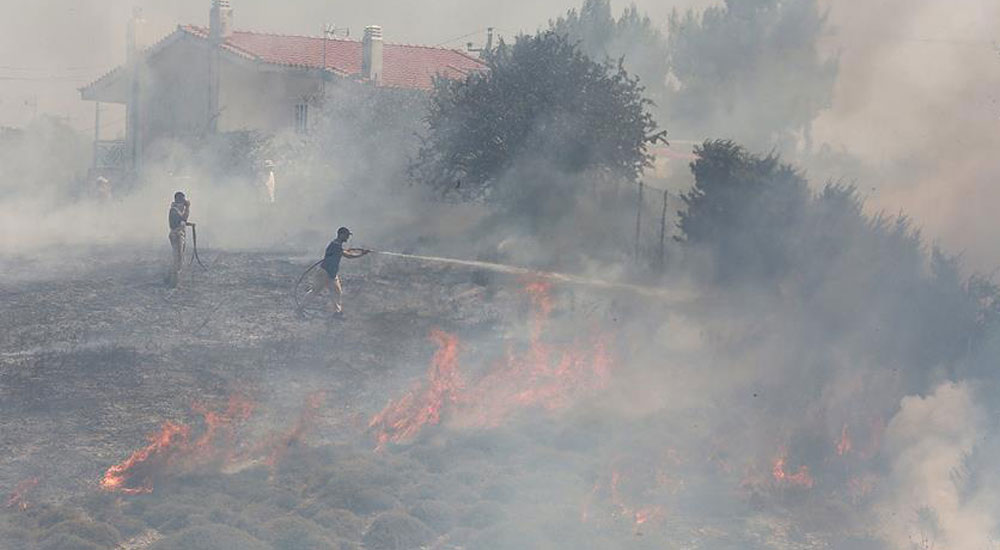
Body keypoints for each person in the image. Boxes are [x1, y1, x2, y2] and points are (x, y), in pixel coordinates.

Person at [305, 227, 369, 316]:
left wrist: (352, 251)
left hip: (331, 274)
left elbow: (342, 252)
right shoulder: (335, 245)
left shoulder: (336, 245)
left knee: (336, 293)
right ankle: (301, 307)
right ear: (341, 234)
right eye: (346, 235)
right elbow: (348, 256)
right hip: (324, 272)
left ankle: (337, 313)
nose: (347, 237)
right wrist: (362, 254)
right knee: (316, 291)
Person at [167, 191, 194, 287]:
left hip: (178, 234)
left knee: (179, 257)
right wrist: (188, 207)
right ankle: (173, 282)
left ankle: (174, 279)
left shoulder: (176, 209)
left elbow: (181, 221)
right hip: (176, 235)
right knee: (178, 258)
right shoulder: (174, 209)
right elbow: (184, 218)